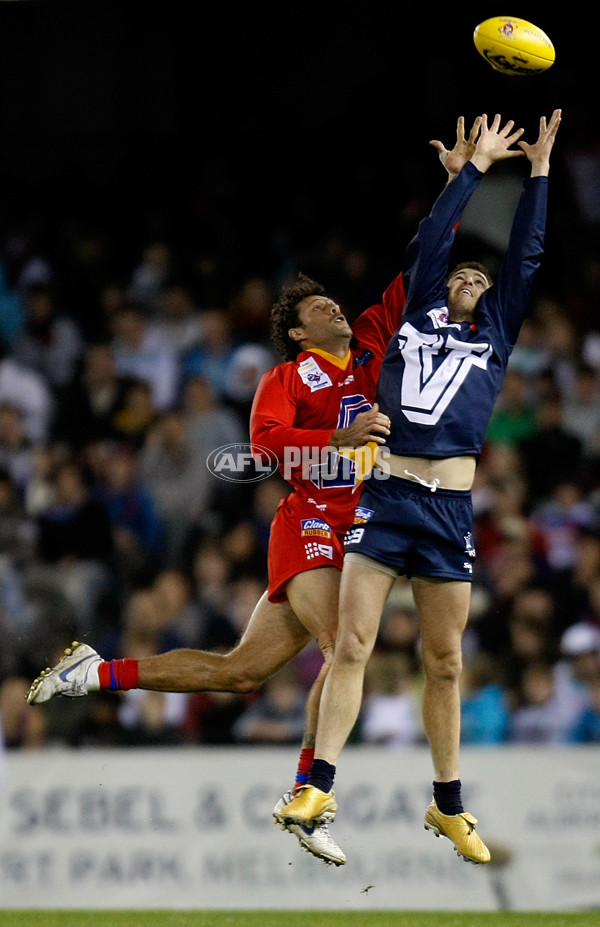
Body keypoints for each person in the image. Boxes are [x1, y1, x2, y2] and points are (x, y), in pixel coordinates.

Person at [25, 119, 479, 866]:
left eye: (336, 303)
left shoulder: (371, 343)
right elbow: (263, 450)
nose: (336, 308)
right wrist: (335, 441)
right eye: (319, 310)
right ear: (298, 335)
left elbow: (424, 263)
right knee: (343, 647)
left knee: (240, 671)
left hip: (360, 528)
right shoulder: (285, 379)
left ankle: (92, 671)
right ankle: (308, 796)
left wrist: (460, 181)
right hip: (306, 523)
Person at [275, 110, 562, 866]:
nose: (471, 274)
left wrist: (536, 172)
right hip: (390, 497)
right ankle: (318, 787)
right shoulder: (413, 317)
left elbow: (526, 255)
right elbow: (433, 240)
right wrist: (469, 174)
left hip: (450, 510)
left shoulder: (495, 332)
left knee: (445, 662)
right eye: (462, 271)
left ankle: (448, 805)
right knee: (355, 643)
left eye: (481, 275)